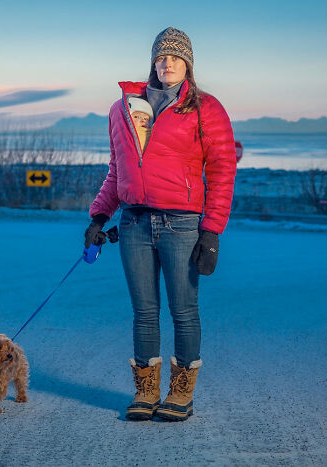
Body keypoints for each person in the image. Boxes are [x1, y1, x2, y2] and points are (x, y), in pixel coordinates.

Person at [84, 27, 236, 422]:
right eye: (160, 56)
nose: (167, 63)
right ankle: (146, 391)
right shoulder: (123, 108)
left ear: (188, 63)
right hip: (133, 223)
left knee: (184, 311)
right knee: (144, 312)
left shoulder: (206, 108)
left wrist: (212, 231)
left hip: (182, 225)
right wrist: (99, 216)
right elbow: (117, 171)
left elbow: (222, 171)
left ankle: (181, 392)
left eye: (175, 56)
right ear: (153, 61)